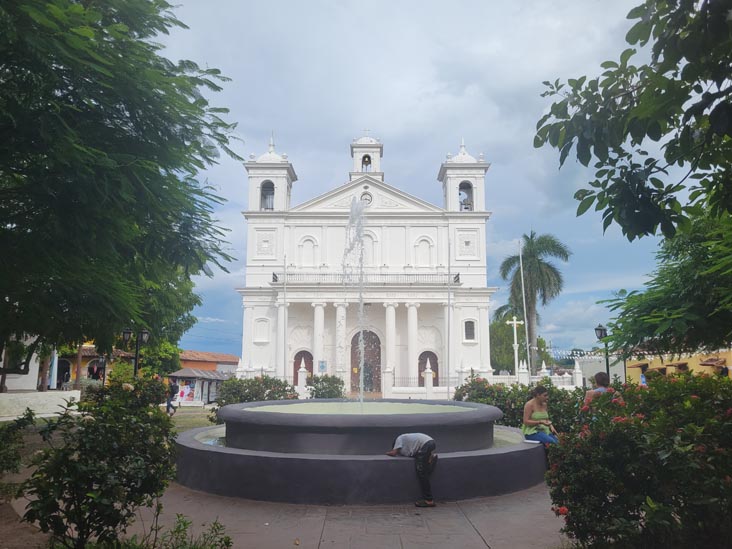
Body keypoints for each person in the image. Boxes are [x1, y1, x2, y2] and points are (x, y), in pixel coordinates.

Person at [386, 433, 438, 507]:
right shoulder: (409, 444)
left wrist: (387, 452)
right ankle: (430, 459)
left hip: (426, 444)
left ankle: (429, 500)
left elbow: (393, 453)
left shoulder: (399, 438)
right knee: (424, 471)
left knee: (421, 472)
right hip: (429, 443)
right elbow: (412, 454)